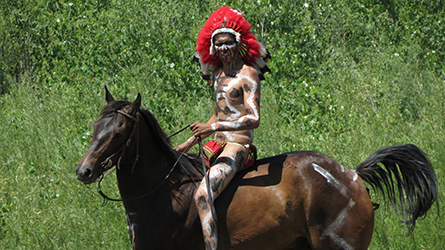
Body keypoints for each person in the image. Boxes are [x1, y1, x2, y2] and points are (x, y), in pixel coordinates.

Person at [174, 6, 270, 250]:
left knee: (202, 194)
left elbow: (254, 118)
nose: (224, 49)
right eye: (219, 44)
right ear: (212, 47)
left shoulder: (248, 75)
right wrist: (188, 143)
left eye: (228, 43)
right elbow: (218, 114)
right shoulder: (217, 75)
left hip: (238, 145)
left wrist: (214, 125)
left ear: (238, 43)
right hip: (216, 144)